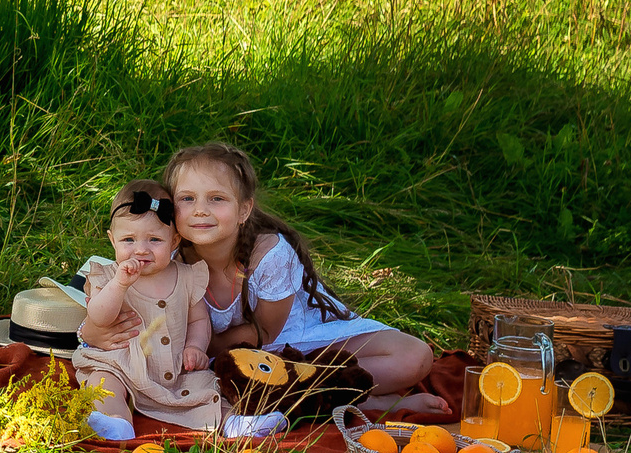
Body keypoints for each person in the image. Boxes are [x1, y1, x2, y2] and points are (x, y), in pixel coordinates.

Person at [81, 142, 448, 432]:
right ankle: (368, 403)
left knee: (415, 356)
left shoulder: (267, 253)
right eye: (187, 199)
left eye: (217, 199)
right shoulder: (163, 251)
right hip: (225, 360)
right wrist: (97, 331)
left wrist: (197, 346)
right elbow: (110, 295)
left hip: (295, 339)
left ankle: (324, 394)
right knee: (228, 387)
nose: (200, 210)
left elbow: (263, 334)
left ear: (244, 210)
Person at [71, 181, 221, 440]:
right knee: (102, 383)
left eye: (154, 239)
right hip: (120, 363)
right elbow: (99, 317)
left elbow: (199, 320)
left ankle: (231, 423)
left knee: (208, 386)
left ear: (174, 241)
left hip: (174, 370)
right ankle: (115, 422)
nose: (141, 249)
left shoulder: (187, 277)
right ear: (112, 240)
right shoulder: (107, 277)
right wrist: (119, 285)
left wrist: (196, 346)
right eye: (128, 239)